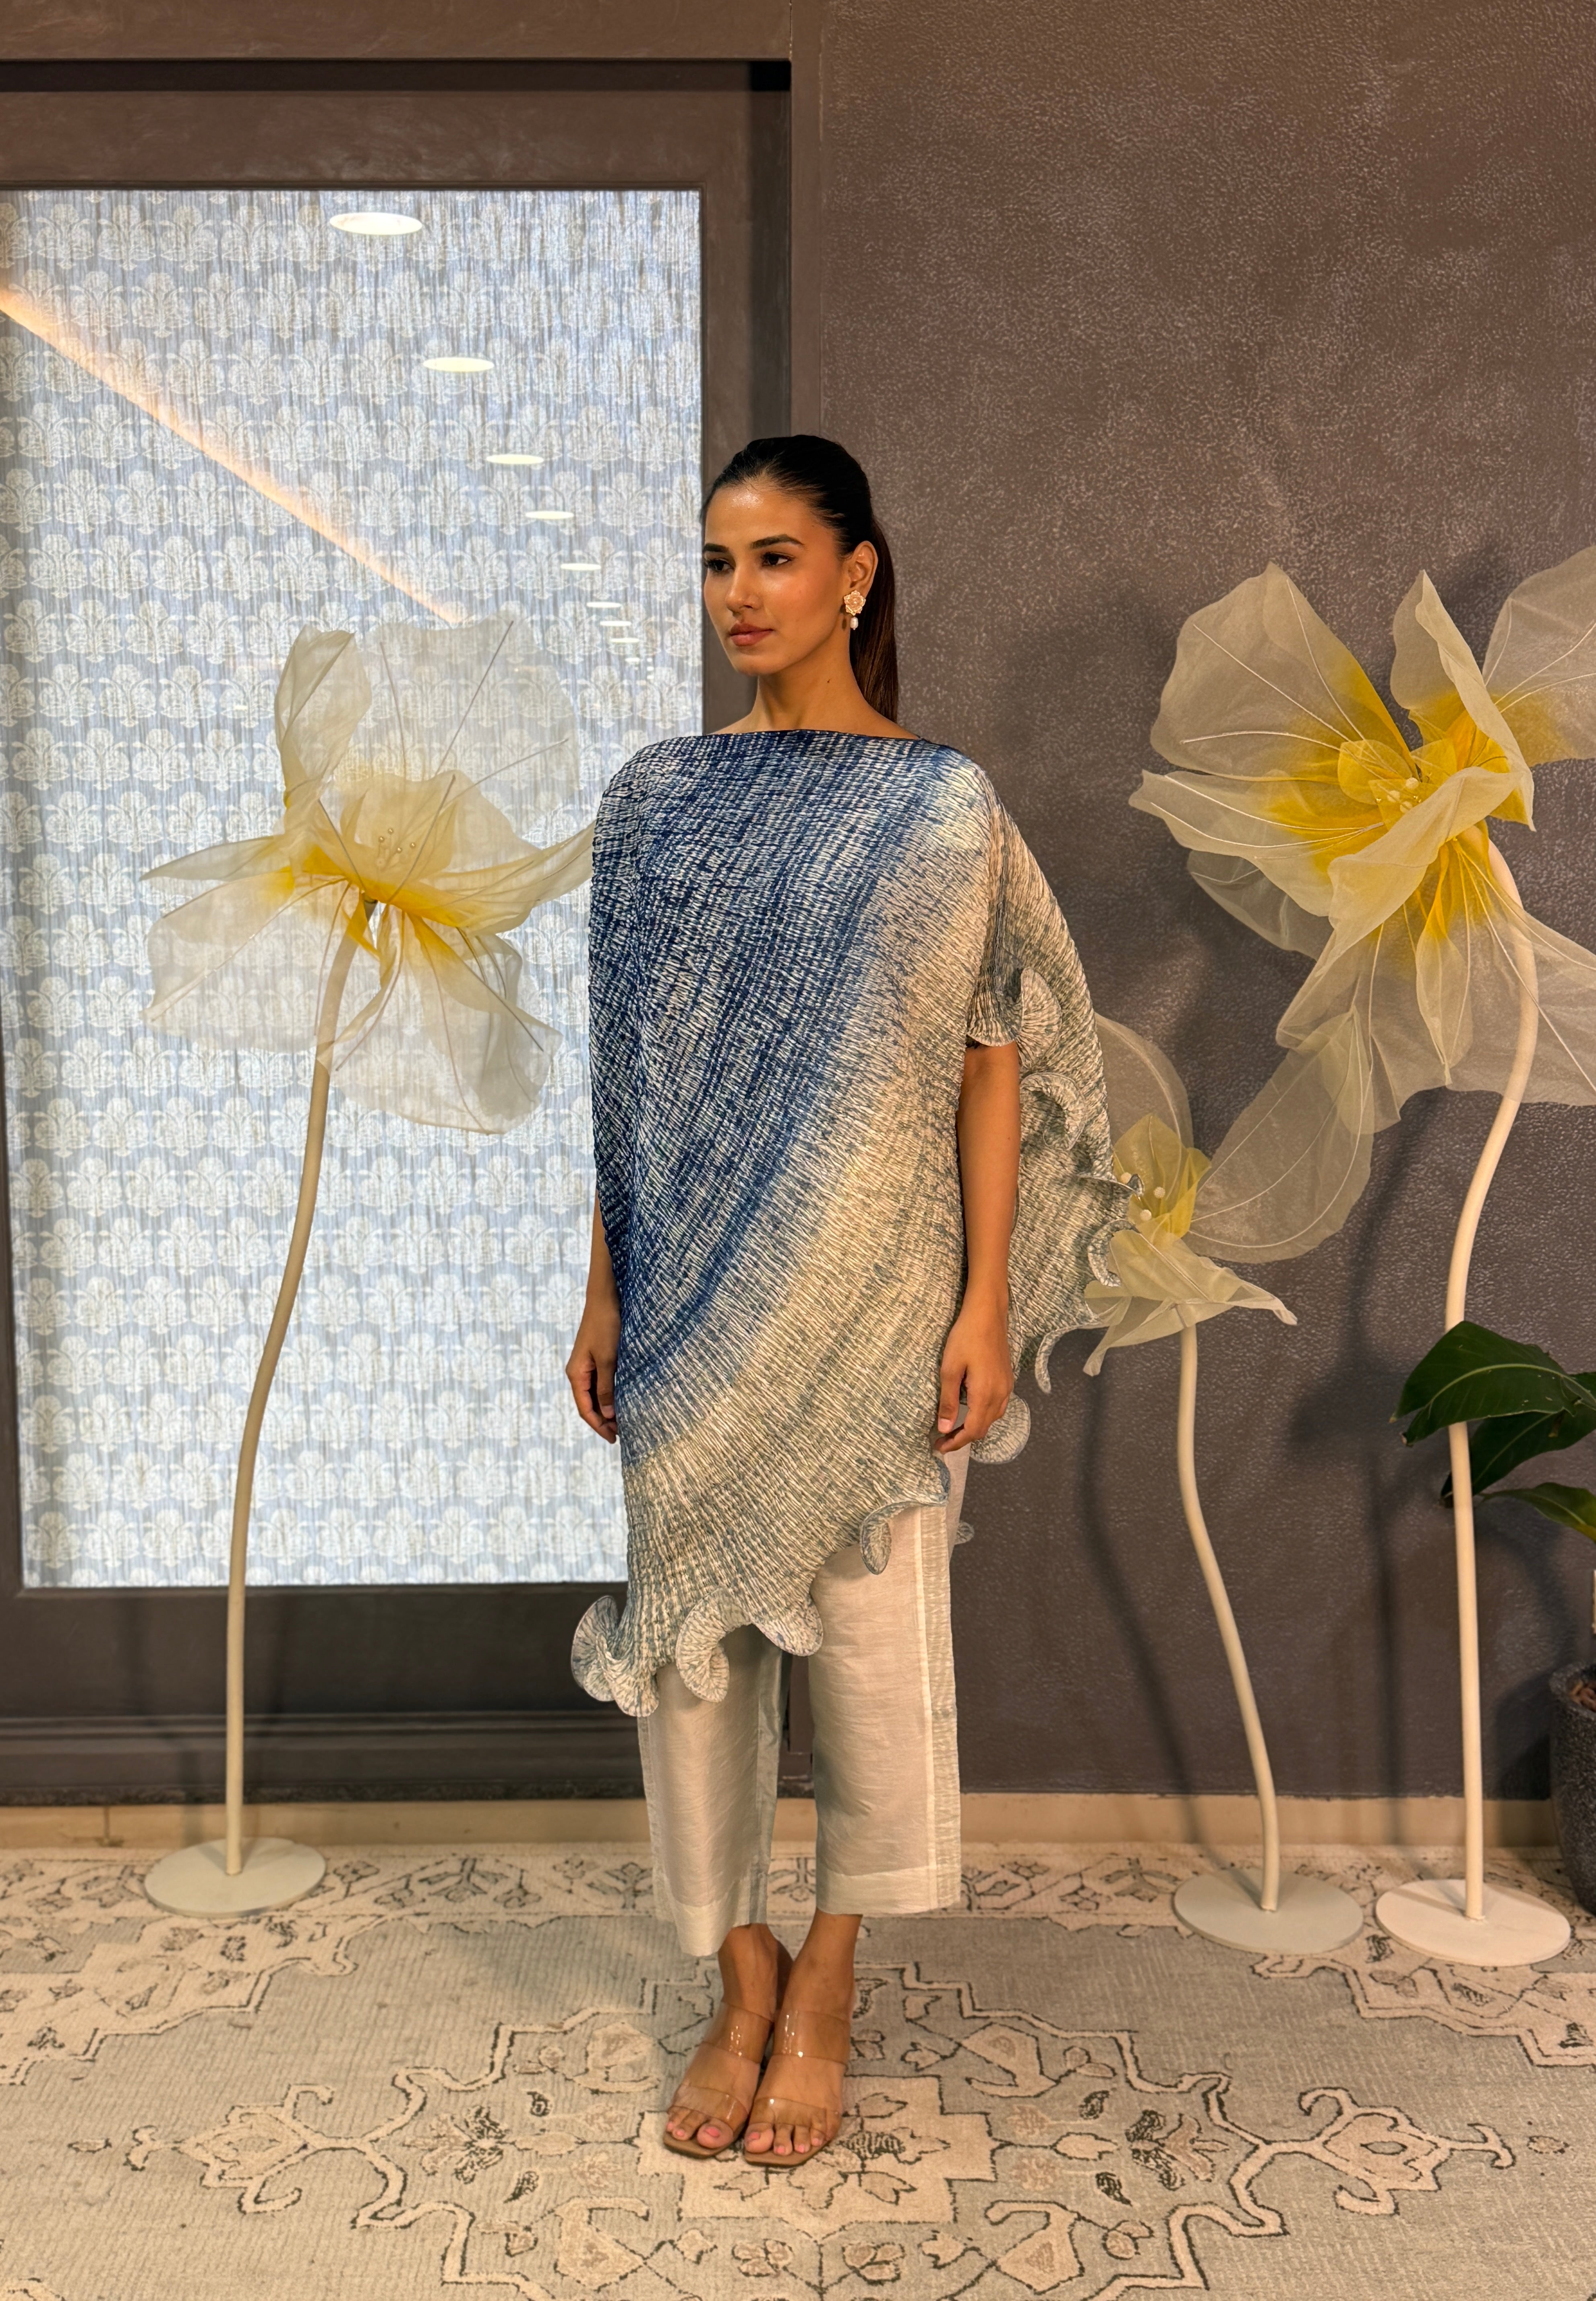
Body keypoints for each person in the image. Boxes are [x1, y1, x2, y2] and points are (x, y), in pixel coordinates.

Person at [565, 435, 1121, 2168]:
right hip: (689, 1303)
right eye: (716, 562)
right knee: (694, 1648)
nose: (739, 595)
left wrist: (984, 1299)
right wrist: (602, 1287)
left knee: (874, 1648)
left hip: (881, 1291)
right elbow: (627, 1083)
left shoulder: (939, 807)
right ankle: (738, 1979)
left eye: (776, 558)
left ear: (856, 574)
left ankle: (828, 1982)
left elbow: (991, 1050)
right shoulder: (653, 802)